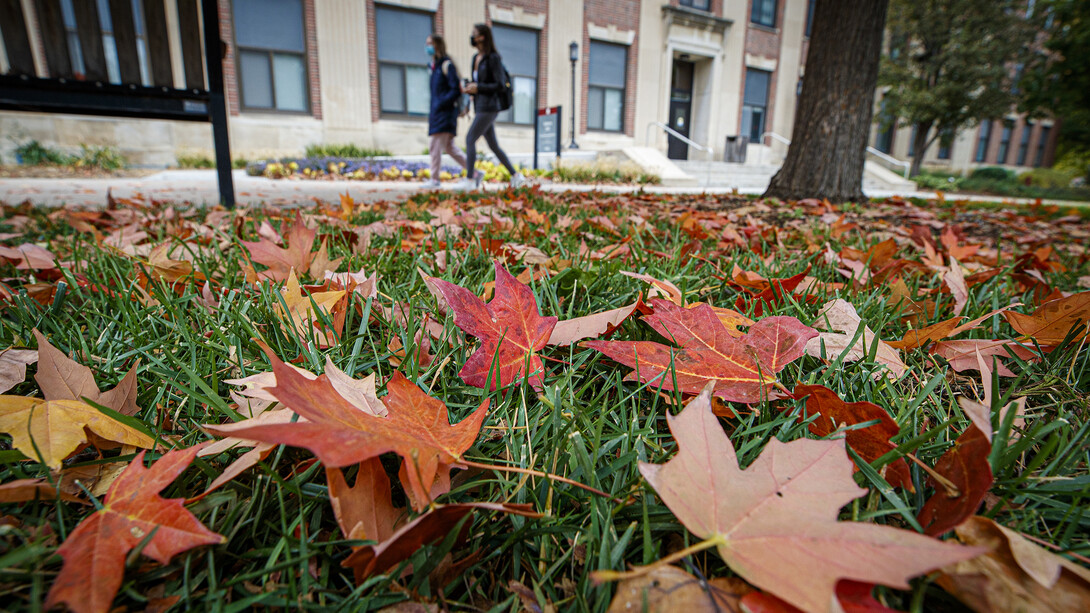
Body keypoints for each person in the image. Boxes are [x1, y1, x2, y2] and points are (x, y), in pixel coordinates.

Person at [461, 23, 525, 190]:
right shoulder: (475, 58)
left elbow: (499, 85)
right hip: (480, 106)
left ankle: (471, 179)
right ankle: (516, 176)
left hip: (490, 107)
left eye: (474, 34)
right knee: (493, 145)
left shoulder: (493, 58)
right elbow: (475, 85)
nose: (472, 37)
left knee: (470, 139)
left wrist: (479, 88)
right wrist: (469, 99)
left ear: (482, 37)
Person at [423, 34, 468, 189]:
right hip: (438, 113)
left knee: (435, 146)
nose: (427, 46)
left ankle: (434, 179)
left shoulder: (446, 65)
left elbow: (455, 90)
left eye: (430, 43)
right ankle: (474, 172)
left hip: (444, 114)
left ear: (437, 45)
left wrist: (440, 104)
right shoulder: (434, 67)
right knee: (449, 147)